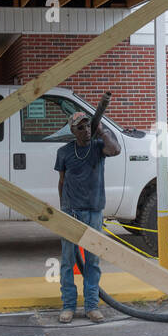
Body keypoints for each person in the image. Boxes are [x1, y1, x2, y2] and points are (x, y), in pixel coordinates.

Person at [55, 109, 120, 323]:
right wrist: (63, 209)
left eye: (88, 126)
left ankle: (91, 305)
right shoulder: (64, 152)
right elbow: (62, 181)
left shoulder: (99, 147)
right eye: (80, 127)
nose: (85, 130)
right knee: (68, 260)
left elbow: (116, 150)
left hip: (94, 210)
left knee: (92, 261)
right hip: (71, 210)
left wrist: (101, 131)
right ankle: (68, 306)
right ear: (73, 130)